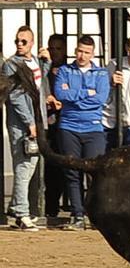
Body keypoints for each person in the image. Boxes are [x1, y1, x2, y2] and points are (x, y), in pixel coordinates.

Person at [54, 35, 110, 231]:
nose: (82, 55)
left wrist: (74, 95)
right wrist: (88, 93)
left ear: (93, 53)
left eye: (86, 52)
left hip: (93, 128)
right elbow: (60, 94)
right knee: (72, 172)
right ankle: (77, 215)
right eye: (79, 51)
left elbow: (101, 98)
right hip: (69, 127)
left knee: (94, 173)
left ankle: (94, 215)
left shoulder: (101, 74)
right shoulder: (65, 70)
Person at [3, 25, 51, 231]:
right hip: (22, 124)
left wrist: (46, 61)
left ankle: (16, 208)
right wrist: (30, 122)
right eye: (17, 41)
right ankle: (22, 213)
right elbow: (15, 96)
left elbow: (38, 80)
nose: (19, 44)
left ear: (32, 43)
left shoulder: (33, 62)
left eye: (23, 41)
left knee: (29, 166)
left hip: (35, 121)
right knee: (24, 167)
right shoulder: (12, 65)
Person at [44, 33, 67, 219]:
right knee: (48, 168)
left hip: (67, 123)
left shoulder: (70, 70)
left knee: (65, 167)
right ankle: (49, 208)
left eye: (58, 49)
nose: (55, 53)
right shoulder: (43, 68)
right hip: (47, 123)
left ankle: (72, 206)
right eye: (52, 48)